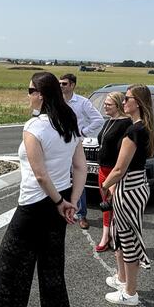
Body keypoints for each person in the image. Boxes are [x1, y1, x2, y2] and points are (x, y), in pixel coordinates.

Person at [0, 72, 86, 307]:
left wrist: (59, 202)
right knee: (51, 267)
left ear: (41, 95)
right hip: (61, 203)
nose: (28, 94)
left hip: (36, 205)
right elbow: (80, 167)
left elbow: (40, 174)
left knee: (6, 269)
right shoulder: (69, 122)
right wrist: (71, 202)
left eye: (30, 90)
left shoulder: (35, 126)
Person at [101, 84, 154, 306]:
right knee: (121, 235)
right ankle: (123, 280)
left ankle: (130, 293)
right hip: (136, 185)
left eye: (127, 98)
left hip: (129, 188)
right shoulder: (143, 127)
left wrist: (105, 185)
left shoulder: (134, 130)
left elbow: (119, 169)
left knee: (128, 240)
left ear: (138, 103)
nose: (124, 102)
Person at [59, 73, 103, 230]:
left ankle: (82, 215)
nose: (61, 86)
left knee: (79, 180)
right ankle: (63, 210)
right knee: (61, 178)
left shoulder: (83, 102)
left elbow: (98, 120)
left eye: (64, 83)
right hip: (59, 146)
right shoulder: (56, 101)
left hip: (76, 145)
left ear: (72, 85)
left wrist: (82, 133)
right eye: (60, 83)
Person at [94, 92, 132, 252]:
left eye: (109, 104)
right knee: (106, 205)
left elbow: (123, 151)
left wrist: (116, 174)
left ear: (118, 105)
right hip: (102, 169)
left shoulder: (126, 123)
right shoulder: (109, 120)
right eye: (105, 103)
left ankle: (116, 236)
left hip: (114, 171)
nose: (105, 106)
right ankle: (105, 236)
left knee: (115, 205)